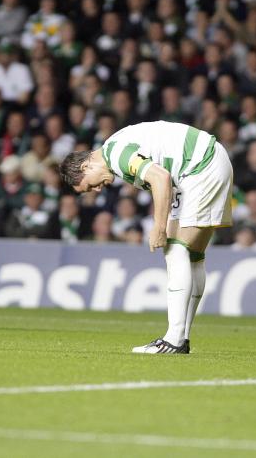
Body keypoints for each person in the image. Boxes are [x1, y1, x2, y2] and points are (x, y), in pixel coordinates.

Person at [60, 121, 233, 354]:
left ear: (85, 167)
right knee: (193, 256)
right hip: (205, 162)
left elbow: (160, 178)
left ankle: (173, 340)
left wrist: (159, 226)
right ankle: (180, 338)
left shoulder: (117, 155)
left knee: (175, 250)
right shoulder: (115, 149)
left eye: (89, 187)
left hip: (199, 166)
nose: (97, 190)